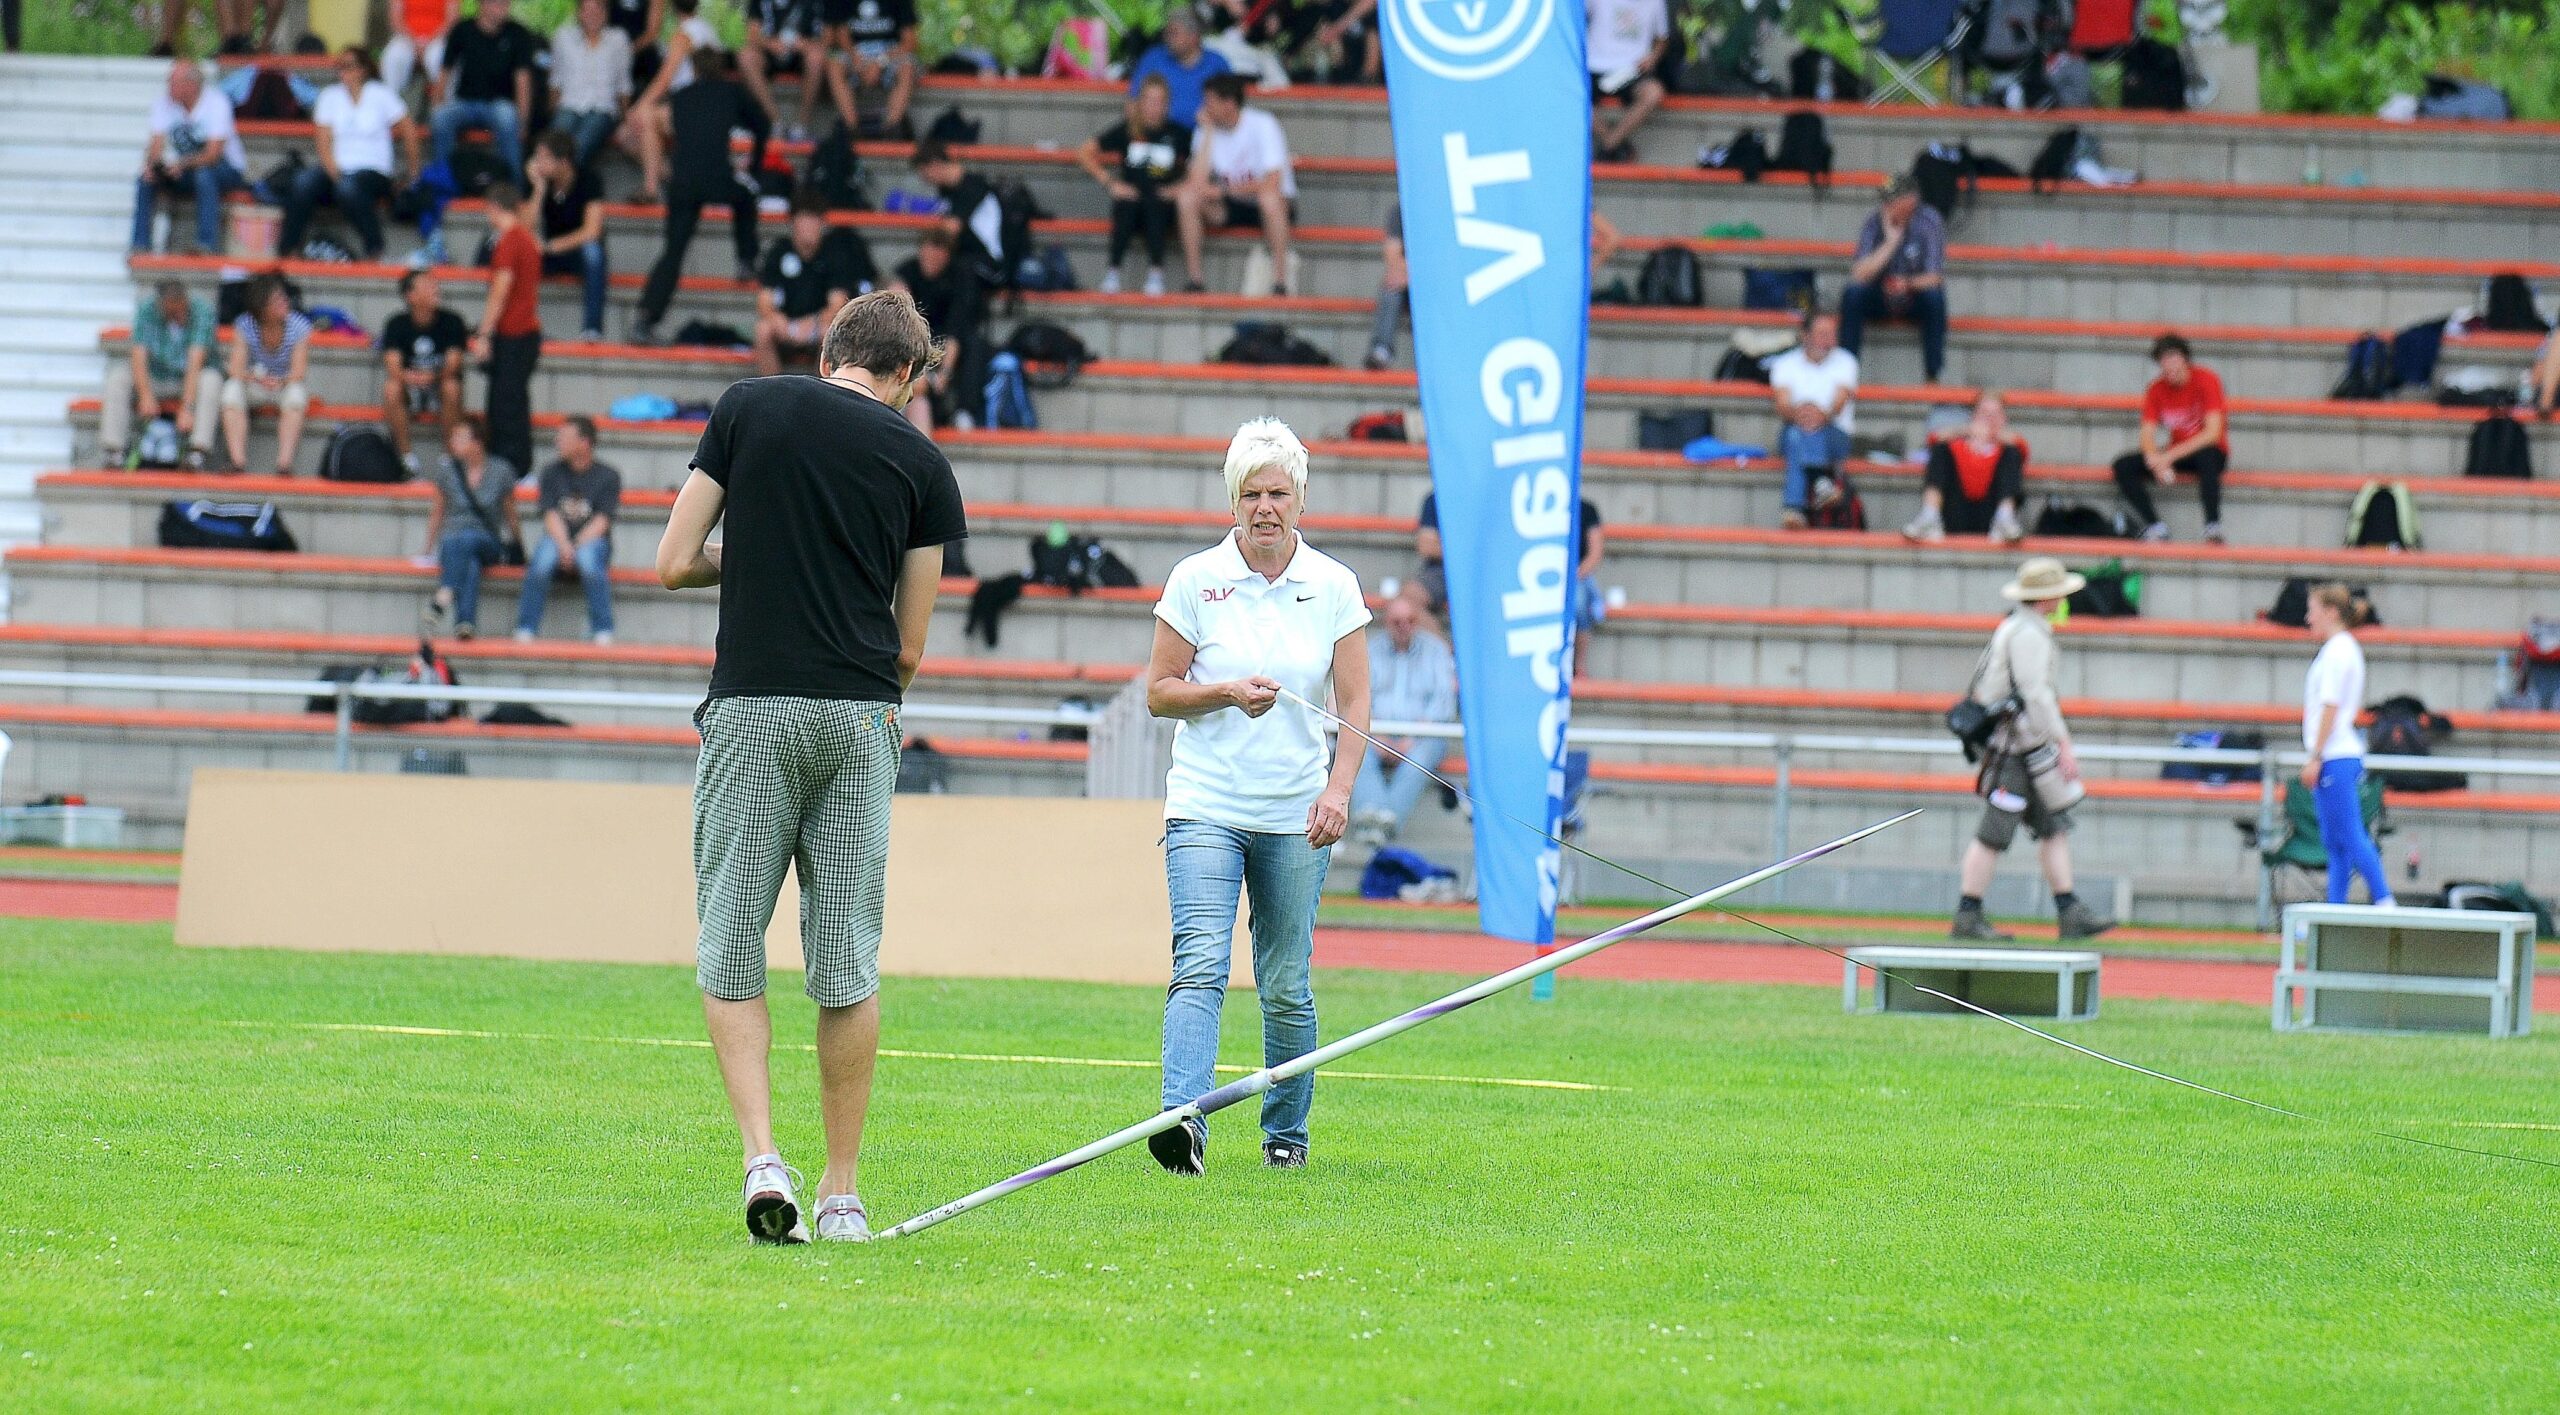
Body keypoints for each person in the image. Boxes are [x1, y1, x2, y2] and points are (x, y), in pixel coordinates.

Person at [655, 290, 967, 1244]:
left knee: (731, 941)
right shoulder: (924, 464)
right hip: (857, 713)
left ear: (831, 349)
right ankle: (840, 1192)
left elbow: (673, 560)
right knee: (845, 964)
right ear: (907, 376)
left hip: (751, 708)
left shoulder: (748, 407)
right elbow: (910, 648)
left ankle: (762, 1156)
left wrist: (749, 559)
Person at [1144, 416, 1371, 1176]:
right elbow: (1159, 692)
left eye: (1278, 492)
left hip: (1296, 816)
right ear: (1231, 501)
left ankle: (1287, 1133)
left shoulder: (1335, 585)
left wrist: (1338, 790)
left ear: (1300, 500)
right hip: (1206, 804)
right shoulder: (1194, 579)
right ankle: (1183, 1120)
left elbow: (1356, 702)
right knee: (1201, 961)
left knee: (1283, 979)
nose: (1264, 507)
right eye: (1250, 493)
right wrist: (1225, 693)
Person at [1951, 557, 2115, 942]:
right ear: (2049, 597)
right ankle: (1968, 914)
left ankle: (2068, 908)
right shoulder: (2028, 635)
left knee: (2053, 827)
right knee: (1994, 832)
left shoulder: (2016, 627)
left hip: (2021, 747)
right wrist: (2062, 742)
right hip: (2018, 750)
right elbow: (2035, 695)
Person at [1366, 206, 1617, 371]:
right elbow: (1395, 256)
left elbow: (1612, 238)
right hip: (1436, 281)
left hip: (1532, 283)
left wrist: (1578, 276)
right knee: (1392, 283)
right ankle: (1384, 350)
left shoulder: (1557, 201)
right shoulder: (1404, 209)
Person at [631, 48, 769, 346]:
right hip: (717, 177)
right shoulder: (732, 92)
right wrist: (754, 165)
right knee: (745, 196)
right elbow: (763, 123)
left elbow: (665, 128)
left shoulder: (681, 96)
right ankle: (746, 259)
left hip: (683, 183)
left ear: (693, 70)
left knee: (673, 252)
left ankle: (645, 318)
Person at [2301, 583, 2396, 907]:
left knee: (2351, 835)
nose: (2307, 618)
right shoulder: (2342, 649)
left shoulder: (2338, 651)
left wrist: (2316, 754)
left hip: (2335, 755)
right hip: (2336, 754)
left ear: (2330, 612)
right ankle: (2335, 909)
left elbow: (2330, 705)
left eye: (2312, 610)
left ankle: (2384, 900)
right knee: (2336, 843)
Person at [280, 48, 415, 262]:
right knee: (303, 182)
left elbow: (407, 127)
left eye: (348, 65)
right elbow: (323, 143)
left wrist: (413, 171)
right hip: (338, 170)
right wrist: (336, 175)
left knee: (349, 189)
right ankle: (288, 250)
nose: (343, 71)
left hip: (373, 170)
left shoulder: (380, 93)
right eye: (340, 66)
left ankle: (374, 247)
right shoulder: (329, 96)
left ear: (362, 69)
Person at [1350, 591, 1455, 848]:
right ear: (1386, 622)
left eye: (1409, 620)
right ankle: (1379, 817)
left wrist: (1411, 738)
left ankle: (1380, 819)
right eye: (1397, 621)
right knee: (1354, 746)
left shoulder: (1436, 651)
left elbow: (1444, 703)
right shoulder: (1369, 650)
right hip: (1374, 731)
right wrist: (1377, 737)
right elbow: (1356, 698)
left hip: (1424, 734)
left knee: (1421, 754)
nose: (1404, 627)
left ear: (1417, 621)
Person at [1176, 74, 1296, 297]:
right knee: (1187, 198)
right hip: (1232, 204)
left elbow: (1272, 182)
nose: (1205, 107)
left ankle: (1280, 281)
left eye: (1210, 101)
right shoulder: (1205, 129)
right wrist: (1208, 133)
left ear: (1229, 103)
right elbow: (1197, 182)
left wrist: (1223, 190)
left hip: (1271, 203)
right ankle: (1195, 280)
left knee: (1269, 198)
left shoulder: (1263, 124)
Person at [2111, 332, 2230, 544]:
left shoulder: (2207, 380)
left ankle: (2212, 525)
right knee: (2123, 465)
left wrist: (2167, 457)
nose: (2169, 366)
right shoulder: (2156, 389)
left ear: (2185, 359)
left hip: (2208, 452)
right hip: (2176, 454)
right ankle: (2154, 526)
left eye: (2173, 358)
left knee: (2207, 457)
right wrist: (2155, 460)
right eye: (2164, 361)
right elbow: (2147, 434)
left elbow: (2213, 433)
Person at [1079, 73, 1190, 297]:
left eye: (1160, 101)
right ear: (1140, 102)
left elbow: (1197, 168)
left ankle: (1156, 273)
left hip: (1161, 203)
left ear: (1167, 104)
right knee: (1127, 204)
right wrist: (1110, 183)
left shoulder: (1179, 134)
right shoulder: (1127, 131)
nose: (1154, 107)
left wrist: (1177, 189)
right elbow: (1084, 153)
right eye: (1149, 100)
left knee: (1155, 204)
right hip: (1131, 198)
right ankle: (1113, 272)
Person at [515, 415, 623, 644]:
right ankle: (526, 627)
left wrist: (573, 547)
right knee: (542, 562)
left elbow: (602, 520)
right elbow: (550, 514)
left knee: (589, 561)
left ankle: (603, 628)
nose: (558, 442)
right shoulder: (551, 472)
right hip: (557, 538)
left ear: (584, 443)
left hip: (593, 542)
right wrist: (564, 545)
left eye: (564, 437)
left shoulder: (608, 476)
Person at [1839, 175, 1949, 384]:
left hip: (1913, 294)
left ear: (1911, 200)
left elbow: (1935, 277)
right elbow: (1859, 274)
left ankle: (1933, 375)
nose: (1886, 205)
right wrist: (1890, 242)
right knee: (1853, 295)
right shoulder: (1875, 221)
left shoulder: (1929, 221)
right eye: (1886, 200)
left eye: (1892, 200)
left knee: (1935, 299)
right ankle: (1847, 372)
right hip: (1880, 294)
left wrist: (1907, 284)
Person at [131, 60, 248, 256]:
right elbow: (156, 147)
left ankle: (206, 244)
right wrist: (153, 166)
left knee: (205, 175)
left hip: (225, 170)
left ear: (191, 85)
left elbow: (213, 155)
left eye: (173, 82)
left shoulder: (217, 103)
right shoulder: (163, 104)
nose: (168, 86)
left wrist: (181, 164)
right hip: (182, 170)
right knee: (145, 179)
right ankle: (140, 244)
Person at [421, 413, 522, 640]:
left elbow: (510, 513)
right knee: (470, 562)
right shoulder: (447, 471)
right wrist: (427, 548)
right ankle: (465, 623)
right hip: (454, 540)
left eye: (460, 437)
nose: (453, 442)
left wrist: (518, 546)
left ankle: (445, 592)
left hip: (486, 538)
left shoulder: (500, 471)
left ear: (477, 442)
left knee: (467, 538)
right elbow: (438, 511)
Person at [103, 279, 223, 469]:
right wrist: (145, 395)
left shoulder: (202, 311)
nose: (175, 314)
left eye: (178, 309)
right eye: (170, 310)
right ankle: (114, 451)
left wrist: (188, 408)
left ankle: (197, 452)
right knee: (118, 377)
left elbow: (196, 361)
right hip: (156, 375)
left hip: (189, 378)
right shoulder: (148, 310)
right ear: (161, 304)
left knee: (211, 380)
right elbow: (138, 354)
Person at [754, 191, 877, 376]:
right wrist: (776, 318)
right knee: (763, 330)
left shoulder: (834, 254)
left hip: (817, 326)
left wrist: (812, 322)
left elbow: (837, 304)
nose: (808, 227)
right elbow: (764, 300)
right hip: (786, 325)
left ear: (822, 224)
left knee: (831, 333)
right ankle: (774, 393)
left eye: (814, 221)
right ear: (793, 223)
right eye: (804, 221)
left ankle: (819, 394)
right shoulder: (778, 252)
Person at [472, 180, 543, 479]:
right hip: (523, 332)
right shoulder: (524, 237)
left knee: (506, 406)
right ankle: (513, 467)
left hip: (513, 333)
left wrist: (484, 333)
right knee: (511, 401)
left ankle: (515, 467)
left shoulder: (509, 241)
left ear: (494, 208)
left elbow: (500, 291)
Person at [624, 0, 726, 200]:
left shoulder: (683, 34)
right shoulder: (708, 30)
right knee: (625, 137)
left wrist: (638, 107)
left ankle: (652, 189)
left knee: (644, 118)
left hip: (693, 108)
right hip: (706, 106)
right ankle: (686, 179)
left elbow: (665, 79)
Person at [1768, 309, 1858, 530]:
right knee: (1796, 434)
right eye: (1822, 334)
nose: (1829, 340)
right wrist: (1802, 414)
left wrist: (1820, 415)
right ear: (1805, 335)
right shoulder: (1785, 364)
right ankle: (1821, 483)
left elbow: (1839, 403)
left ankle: (1794, 508)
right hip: (1796, 430)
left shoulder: (1846, 361)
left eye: (1832, 334)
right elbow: (1782, 405)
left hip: (1835, 435)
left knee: (1798, 436)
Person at [431, 0, 541, 179]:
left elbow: (523, 81)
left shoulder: (518, 34)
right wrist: (437, 104)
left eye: (506, 3)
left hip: (499, 104)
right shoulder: (462, 30)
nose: (504, 8)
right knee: (441, 117)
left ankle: (513, 189)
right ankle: (442, 183)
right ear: (482, 4)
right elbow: (445, 72)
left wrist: (523, 122)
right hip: (464, 103)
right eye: (498, 3)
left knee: (508, 118)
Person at [1905, 390, 2027, 545]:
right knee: (1941, 449)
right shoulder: (1957, 445)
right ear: (1974, 416)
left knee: (2012, 453)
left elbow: (2022, 447)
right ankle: (1930, 515)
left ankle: (2004, 518)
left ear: (2004, 418)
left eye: (1995, 414)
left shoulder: (2008, 448)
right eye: (1984, 413)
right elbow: (1934, 439)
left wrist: (1994, 435)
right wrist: (1966, 431)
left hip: (1989, 515)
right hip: (1956, 512)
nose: (1989, 419)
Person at [218, 273, 309, 476]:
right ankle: (237, 461)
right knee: (231, 390)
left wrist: (279, 380)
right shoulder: (245, 324)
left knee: (296, 394)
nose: (285, 303)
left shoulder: (299, 326)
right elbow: (235, 368)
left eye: (283, 298)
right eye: (277, 301)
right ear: (262, 308)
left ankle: (284, 464)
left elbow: (298, 372)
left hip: (284, 383)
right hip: (256, 381)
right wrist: (257, 378)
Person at [888, 228, 977, 433]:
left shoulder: (957, 281)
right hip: (904, 362)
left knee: (919, 402)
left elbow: (955, 332)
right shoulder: (908, 274)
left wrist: (942, 375)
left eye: (938, 257)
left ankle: (964, 411)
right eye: (928, 255)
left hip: (935, 359)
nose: (932, 261)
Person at [379, 268, 469, 469]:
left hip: (438, 385)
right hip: (410, 389)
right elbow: (392, 365)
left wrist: (432, 376)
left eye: (435, 284)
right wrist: (408, 377)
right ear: (410, 295)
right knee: (391, 388)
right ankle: (406, 459)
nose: (435, 289)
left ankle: (449, 458)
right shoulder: (396, 324)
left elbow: (454, 363)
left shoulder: (453, 321)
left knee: (452, 387)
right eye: (428, 285)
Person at [527, 132, 609, 340]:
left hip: (576, 251)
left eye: (544, 158)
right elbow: (525, 229)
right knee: (523, 254)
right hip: (550, 252)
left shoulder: (589, 180)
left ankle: (592, 329)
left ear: (563, 162)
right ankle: (527, 326)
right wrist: (538, 189)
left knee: (593, 253)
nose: (538, 163)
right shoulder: (540, 182)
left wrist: (551, 246)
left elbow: (592, 231)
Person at [740, 0, 846, 144]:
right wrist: (770, 43)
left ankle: (801, 127)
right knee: (746, 56)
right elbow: (752, 34)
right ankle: (776, 123)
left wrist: (805, 44)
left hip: (803, 54)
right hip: (771, 52)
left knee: (817, 57)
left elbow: (829, 37)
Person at [549, 0, 634, 169]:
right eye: (587, 10)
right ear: (579, 13)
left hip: (603, 109)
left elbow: (624, 86)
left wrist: (627, 123)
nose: (592, 15)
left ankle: (563, 190)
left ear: (605, 13)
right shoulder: (563, 37)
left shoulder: (619, 40)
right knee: (555, 143)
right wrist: (552, 112)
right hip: (569, 105)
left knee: (580, 144)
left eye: (597, 9)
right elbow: (555, 81)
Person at [1586, 0, 1668, 162]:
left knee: (1653, 92)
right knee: (1571, 95)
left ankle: (1609, 144)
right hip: (1594, 66)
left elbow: (1662, 38)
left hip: (1632, 70)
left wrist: (1652, 58)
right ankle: (1613, 142)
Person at [1127, 9, 1231, 129]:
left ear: (1194, 36)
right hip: (1158, 136)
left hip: (1205, 135)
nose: (1168, 38)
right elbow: (1133, 103)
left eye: (1174, 33)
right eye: (1167, 33)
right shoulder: (1153, 58)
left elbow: (1230, 105)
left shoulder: (1217, 64)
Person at [831, 0, 918, 137]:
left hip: (890, 55)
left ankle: (891, 129)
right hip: (856, 55)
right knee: (834, 65)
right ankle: (852, 130)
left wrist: (880, 61)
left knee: (907, 67)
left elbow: (910, 41)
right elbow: (841, 35)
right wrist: (859, 60)